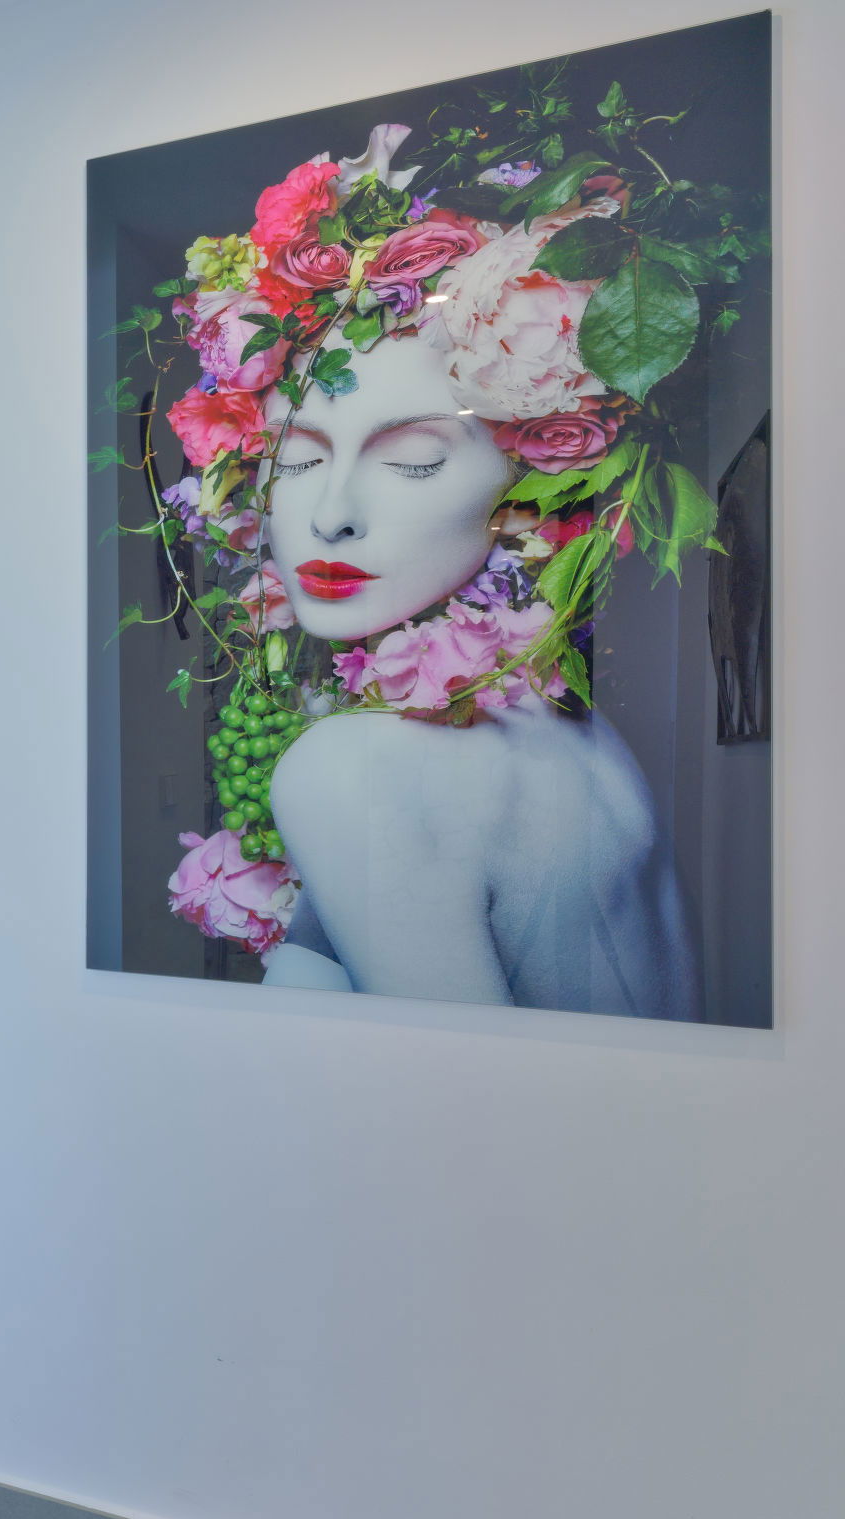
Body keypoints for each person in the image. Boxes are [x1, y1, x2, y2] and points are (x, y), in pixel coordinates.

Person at [146, 106, 760, 1021]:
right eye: (295, 460)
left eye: (412, 461)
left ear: (533, 479)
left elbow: (462, 1096)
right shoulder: (573, 733)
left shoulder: (357, 766)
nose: (331, 515)